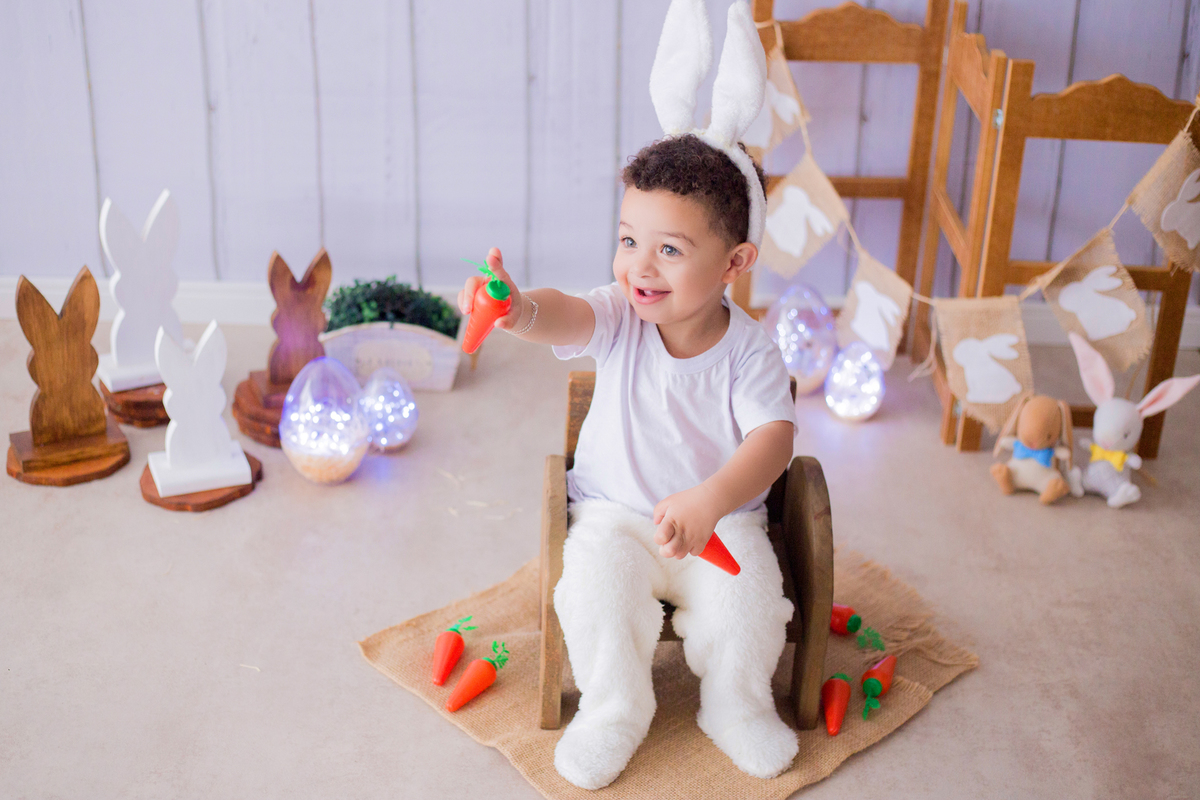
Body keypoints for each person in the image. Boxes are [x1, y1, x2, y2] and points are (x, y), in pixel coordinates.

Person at [457, 133, 798, 789]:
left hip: (719, 527)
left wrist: (712, 500)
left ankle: (736, 707)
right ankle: (614, 710)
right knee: (591, 594)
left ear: (735, 262)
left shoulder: (751, 353)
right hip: (616, 517)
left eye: (669, 249)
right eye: (628, 240)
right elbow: (565, 314)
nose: (640, 267)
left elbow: (774, 440)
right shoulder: (621, 315)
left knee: (751, 607)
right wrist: (517, 307)